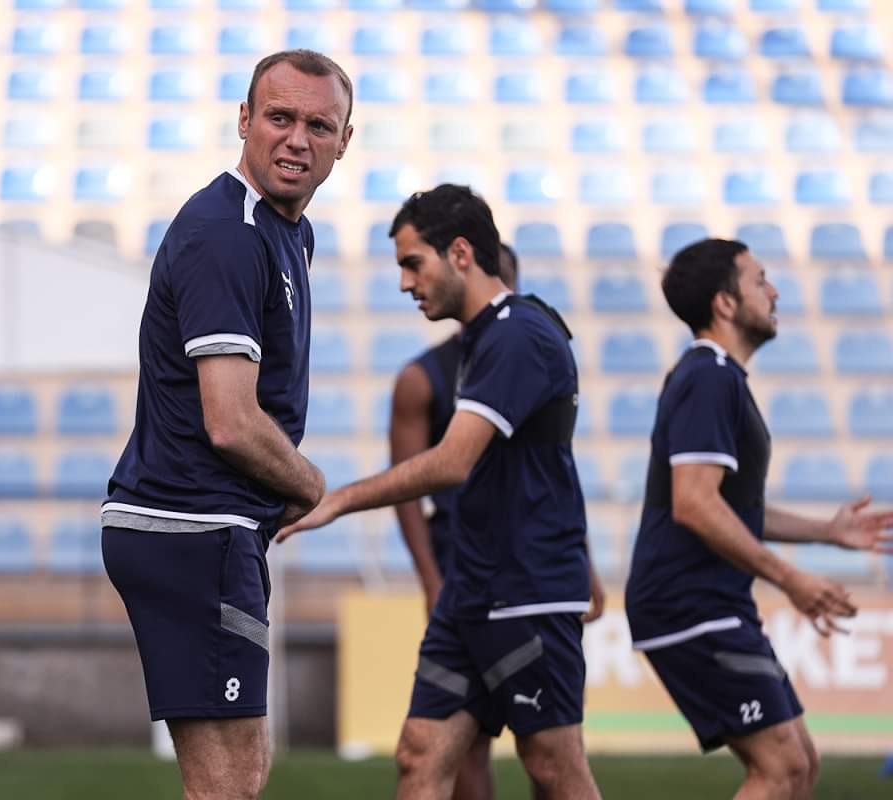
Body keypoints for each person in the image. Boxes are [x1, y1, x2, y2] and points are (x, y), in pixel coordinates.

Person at [280, 184, 601, 800]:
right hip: (471, 590)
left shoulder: (518, 334)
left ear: (459, 253)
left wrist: (339, 500)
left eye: (412, 263)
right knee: (420, 756)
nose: (405, 283)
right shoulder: (483, 338)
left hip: (525, 592)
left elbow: (453, 463)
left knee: (554, 768)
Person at [101, 49, 352, 800]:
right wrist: (310, 485)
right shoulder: (228, 233)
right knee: (228, 785)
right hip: (192, 524)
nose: (297, 139)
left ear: (344, 142)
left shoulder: (286, 231)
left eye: (319, 125)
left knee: (237, 775)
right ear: (244, 120)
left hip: (210, 527)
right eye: (279, 117)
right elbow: (232, 422)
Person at [625, 238, 893, 798]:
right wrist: (789, 577)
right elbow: (694, 503)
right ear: (724, 303)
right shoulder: (709, 377)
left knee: (801, 764)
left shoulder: (718, 377)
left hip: (711, 601)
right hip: (688, 603)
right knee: (781, 768)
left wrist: (825, 532)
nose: (774, 292)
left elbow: (728, 505)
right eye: (759, 279)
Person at [389, 242, 606, 800]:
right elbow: (407, 489)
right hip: (461, 570)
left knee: (549, 757)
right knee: (439, 751)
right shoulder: (422, 378)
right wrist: (431, 580)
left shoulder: (526, 347)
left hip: (527, 577)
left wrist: (583, 561)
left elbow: (550, 464)